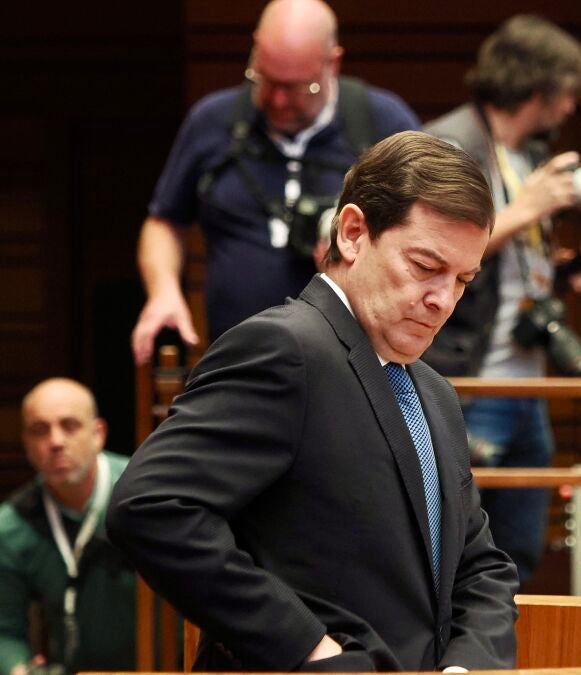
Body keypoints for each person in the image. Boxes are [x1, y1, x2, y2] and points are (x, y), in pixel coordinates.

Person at [107, 131, 519, 672]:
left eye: (463, 279)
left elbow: (479, 566)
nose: (443, 299)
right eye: (424, 266)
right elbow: (152, 507)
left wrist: (467, 666)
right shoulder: (285, 349)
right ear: (353, 234)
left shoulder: (434, 394)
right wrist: (307, 649)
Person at [130, 0, 421, 365]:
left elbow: (422, 235)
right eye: (266, 80)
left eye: (296, 87)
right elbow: (164, 221)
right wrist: (163, 291)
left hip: (354, 365)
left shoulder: (383, 123)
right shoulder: (212, 121)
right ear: (255, 51)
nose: (279, 100)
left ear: (332, 64)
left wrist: (357, 253)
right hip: (235, 360)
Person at [423, 14, 581, 584]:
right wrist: (527, 210)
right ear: (538, 85)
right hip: (472, 384)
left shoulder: (525, 155)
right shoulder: (449, 145)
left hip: (527, 383)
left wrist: (560, 274)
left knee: (518, 557)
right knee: (457, 553)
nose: (571, 106)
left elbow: (500, 268)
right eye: (568, 91)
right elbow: (433, 248)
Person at [0, 379, 134, 675]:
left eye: (69, 425)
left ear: (98, 434)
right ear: (26, 444)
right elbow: (4, 631)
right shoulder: (12, 526)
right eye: (40, 430)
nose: (56, 441)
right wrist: (18, 668)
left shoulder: (145, 496)